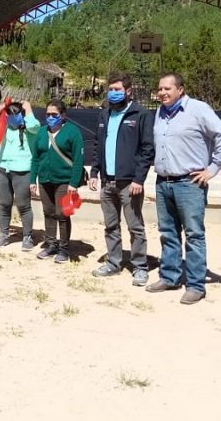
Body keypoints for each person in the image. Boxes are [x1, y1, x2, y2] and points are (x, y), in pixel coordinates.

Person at [146, 72, 221, 305]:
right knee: (168, 233)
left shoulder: (198, 109)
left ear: (180, 90)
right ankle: (170, 276)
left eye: (167, 89)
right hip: (163, 182)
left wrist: (213, 168)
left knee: (194, 235)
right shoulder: (160, 112)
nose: (162, 93)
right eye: (160, 89)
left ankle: (196, 285)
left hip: (189, 183)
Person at [89, 71, 155, 286]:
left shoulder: (140, 114)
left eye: (118, 90)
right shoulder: (105, 114)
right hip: (107, 181)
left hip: (129, 183)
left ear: (128, 91)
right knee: (110, 225)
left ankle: (140, 267)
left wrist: (139, 179)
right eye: (110, 90)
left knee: (135, 227)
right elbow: (98, 145)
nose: (113, 93)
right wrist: (94, 172)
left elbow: (147, 149)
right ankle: (114, 262)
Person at [30, 99, 85, 263]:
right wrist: (33, 180)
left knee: (62, 214)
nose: (50, 117)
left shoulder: (72, 132)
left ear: (63, 115)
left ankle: (64, 248)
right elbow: (36, 158)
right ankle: (51, 244)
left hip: (64, 180)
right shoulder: (41, 132)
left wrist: (73, 183)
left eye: (54, 114)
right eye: (47, 114)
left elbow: (78, 160)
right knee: (48, 212)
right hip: (45, 179)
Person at [0, 101, 40, 250]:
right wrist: (1, 109)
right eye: (10, 114)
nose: (13, 117)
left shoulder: (29, 128)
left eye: (16, 114)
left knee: (23, 204)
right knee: (4, 203)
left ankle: (27, 236)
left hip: (22, 170)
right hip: (3, 169)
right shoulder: (3, 128)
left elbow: (35, 125)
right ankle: (4, 234)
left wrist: (28, 109)